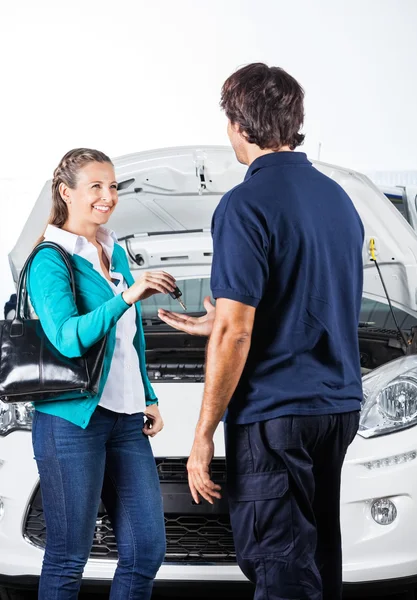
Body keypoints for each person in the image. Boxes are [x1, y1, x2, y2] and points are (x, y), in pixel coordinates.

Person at [158, 63, 364, 600]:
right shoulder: (339, 201)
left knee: (278, 562)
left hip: (276, 414)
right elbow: (311, 299)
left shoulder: (244, 205)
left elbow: (237, 334)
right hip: (336, 408)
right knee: (318, 556)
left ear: (240, 126)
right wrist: (221, 321)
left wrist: (202, 436)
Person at [28, 148, 175, 600]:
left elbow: (132, 339)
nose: (108, 196)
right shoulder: (50, 259)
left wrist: (147, 395)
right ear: (66, 192)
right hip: (72, 422)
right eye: (95, 186)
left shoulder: (112, 248)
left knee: (145, 549)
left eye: (112, 186)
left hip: (126, 420)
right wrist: (127, 296)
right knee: (69, 557)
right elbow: (69, 338)